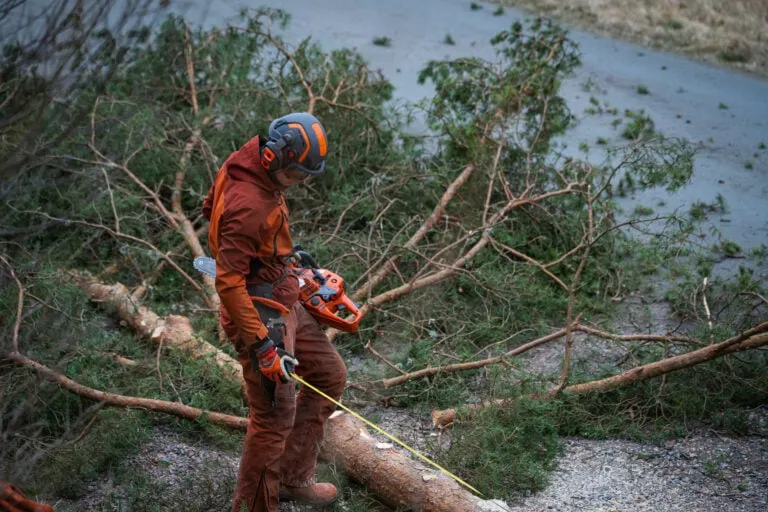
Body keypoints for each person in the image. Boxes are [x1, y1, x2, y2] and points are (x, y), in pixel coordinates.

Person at [202, 112, 347, 512]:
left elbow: (208, 206)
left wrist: (277, 254)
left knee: (329, 374)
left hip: (282, 292)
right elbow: (228, 281)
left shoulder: (248, 162)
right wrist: (263, 345)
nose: (299, 181)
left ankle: (291, 479)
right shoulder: (249, 205)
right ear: (275, 156)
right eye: (296, 173)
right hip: (256, 309)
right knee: (273, 416)